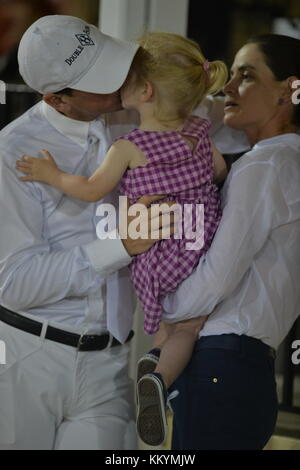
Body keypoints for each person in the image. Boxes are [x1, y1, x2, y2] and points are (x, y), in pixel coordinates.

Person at [15, 31, 228, 447]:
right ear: (56, 99)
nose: (116, 85)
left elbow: (93, 189)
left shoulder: (131, 141)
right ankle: (160, 374)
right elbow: (218, 172)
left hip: (143, 279)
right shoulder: (199, 130)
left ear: (144, 91)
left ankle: (156, 372)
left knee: (172, 324)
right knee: (184, 327)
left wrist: (53, 176)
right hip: (194, 243)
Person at [0, 15, 176, 450]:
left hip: (112, 362)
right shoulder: (11, 154)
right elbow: (13, 283)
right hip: (25, 360)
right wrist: (121, 246)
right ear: (58, 100)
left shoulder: (136, 117)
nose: (121, 79)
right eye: (102, 77)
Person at [161, 33, 300, 450]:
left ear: (289, 91)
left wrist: (163, 308)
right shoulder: (282, 160)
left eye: (247, 75)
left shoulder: (267, 165)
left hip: (222, 363)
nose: (228, 87)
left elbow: (218, 275)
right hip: (240, 367)